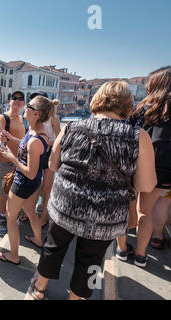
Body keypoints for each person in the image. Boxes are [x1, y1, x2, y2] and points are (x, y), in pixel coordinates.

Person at [27, 81, 156, 300]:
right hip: (106, 216)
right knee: (92, 261)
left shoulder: (72, 127)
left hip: (66, 205)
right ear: (127, 105)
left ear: (97, 100)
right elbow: (145, 185)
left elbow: (53, 164)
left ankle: (39, 287)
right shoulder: (138, 136)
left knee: (53, 246)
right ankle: (77, 297)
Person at [117, 66, 171, 266]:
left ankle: (122, 249)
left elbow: (125, 134)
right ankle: (143, 253)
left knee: (135, 209)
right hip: (167, 173)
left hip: (144, 167)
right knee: (158, 205)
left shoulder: (145, 108)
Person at [0, 96, 56, 265]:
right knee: (30, 212)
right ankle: (38, 240)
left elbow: (29, 172)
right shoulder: (36, 132)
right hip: (33, 184)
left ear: (36, 114)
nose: (24, 107)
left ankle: (14, 255)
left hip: (23, 183)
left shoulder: (35, 140)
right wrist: (11, 137)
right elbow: (26, 144)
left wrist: (11, 157)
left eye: (28, 106)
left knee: (10, 217)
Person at [0, 90, 26, 235]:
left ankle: (2, 214)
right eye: (14, 98)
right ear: (10, 101)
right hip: (3, 162)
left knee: (7, 190)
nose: (17, 100)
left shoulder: (23, 119)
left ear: (23, 103)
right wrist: (0, 144)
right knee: (0, 194)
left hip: (16, 162)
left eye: (20, 99)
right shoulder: (2, 118)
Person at [29, 92, 61, 228]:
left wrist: (45, 141)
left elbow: (59, 139)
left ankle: (43, 217)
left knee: (47, 187)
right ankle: (32, 215)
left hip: (49, 154)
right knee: (35, 185)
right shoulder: (35, 117)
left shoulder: (54, 118)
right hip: (38, 152)